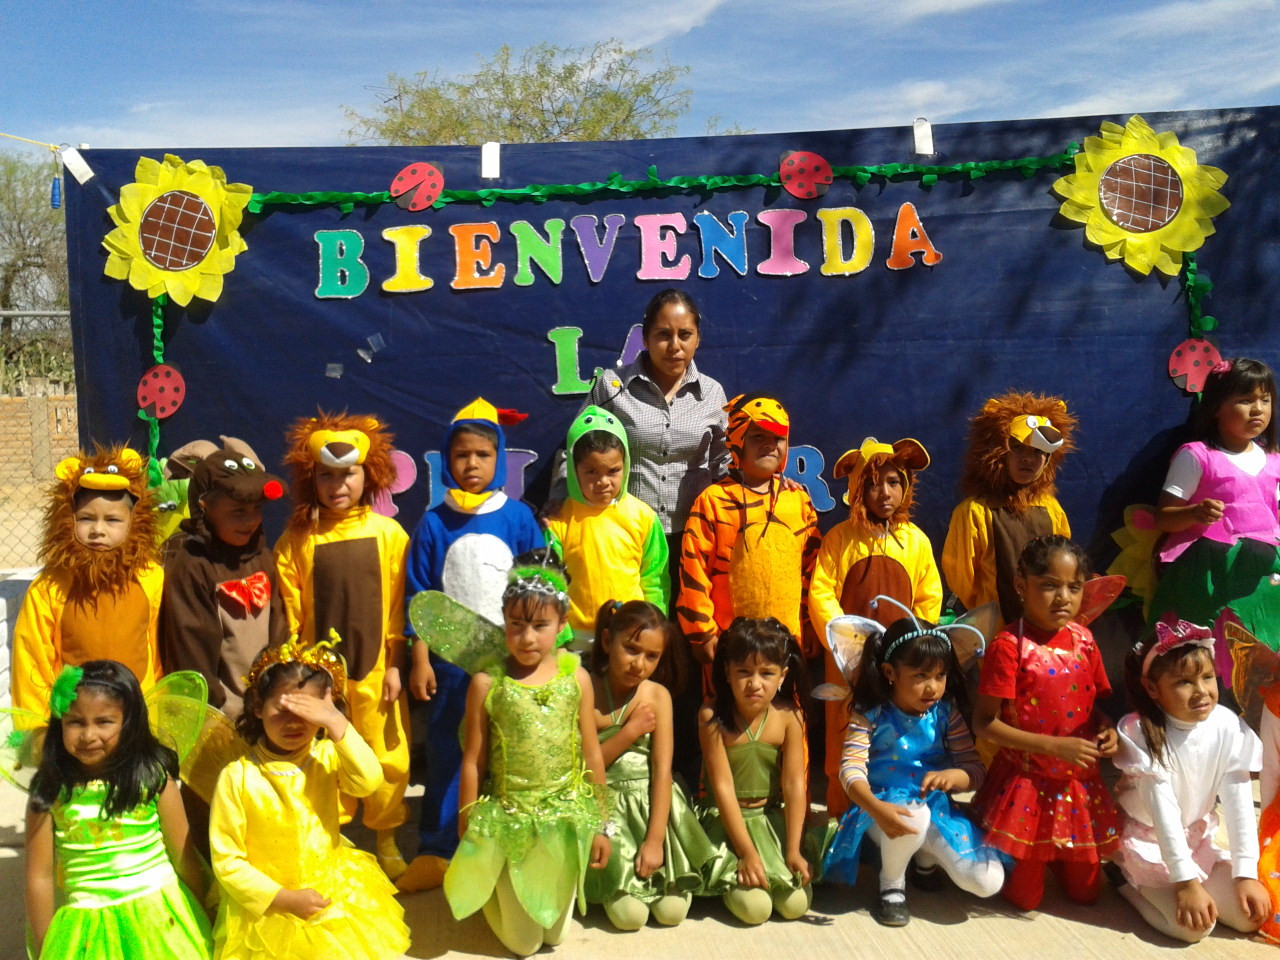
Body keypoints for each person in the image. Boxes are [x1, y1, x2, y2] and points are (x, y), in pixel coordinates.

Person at [400, 397, 544, 892]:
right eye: (461, 455)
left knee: (506, 752)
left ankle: (508, 844)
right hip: (451, 667)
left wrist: (542, 653)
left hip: (510, 664)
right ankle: (439, 847)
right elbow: (419, 595)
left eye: (483, 454)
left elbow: (539, 587)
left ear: (499, 458)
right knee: (448, 750)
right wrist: (420, 658)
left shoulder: (518, 518)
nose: (472, 464)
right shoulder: (433, 523)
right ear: (447, 460)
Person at [444, 557, 611, 956]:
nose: (527, 638)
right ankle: (496, 885)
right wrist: (466, 820)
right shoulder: (488, 683)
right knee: (525, 943)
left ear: (561, 622)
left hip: (564, 819)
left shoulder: (577, 678)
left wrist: (603, 825)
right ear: (503, 620)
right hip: (511, 819)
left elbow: (592, 754)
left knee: (555, 937)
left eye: (540, 626)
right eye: (516, 625)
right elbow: (474, 759)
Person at [208, 637, 410, 960]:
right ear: (258, 707)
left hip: (331, 898)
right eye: (283, 709)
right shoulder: (238, 777)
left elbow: (369, 780)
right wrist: (283, 898)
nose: (294, 723)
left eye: (308, 712)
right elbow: (227, 862)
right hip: (269, 911)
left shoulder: (326, 757)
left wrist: (336, 722)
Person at [273, 411, 410, 878]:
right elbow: (290, 613)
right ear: (311, 480)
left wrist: (396, 664)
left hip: (378, 673)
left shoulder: (389, 534)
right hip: (321, 680)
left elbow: (399, 607)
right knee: (326, 757)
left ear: (367, 476)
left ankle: (387, 836)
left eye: (347, 474)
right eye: (326, 476)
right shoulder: (296, 540)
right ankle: (334, 836)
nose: (337, 485)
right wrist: (297, 676)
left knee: (386, 755)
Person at [823, 607, 1004, 926]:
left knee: (987, 881)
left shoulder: (946, 714)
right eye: (920, 676)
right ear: (890, 672)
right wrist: (876, 807)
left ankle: (924, 858)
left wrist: (955, 776)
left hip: (936, 811)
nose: (933, 687)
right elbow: (850, 770)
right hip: (879, 811)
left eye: (940, 675)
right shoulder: (871, 714)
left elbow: (975, 771)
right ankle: (892, 885)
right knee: (914, 817)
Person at [24, 660, 213, 960]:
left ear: (129, 723)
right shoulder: (49, 791)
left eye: (104, 722)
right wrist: (45, 945)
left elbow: (183, 855)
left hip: (161, 922)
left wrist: (202, 914)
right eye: (75, 722)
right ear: (59, 724)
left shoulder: (152, 778)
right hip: (86, 929)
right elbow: (40, 877)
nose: (88, 735)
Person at [970, 535, 1120, 910]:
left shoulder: (1084, 640)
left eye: (1074, 587)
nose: (1063, 598)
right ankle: (1031, 855)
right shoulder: (1009, 646)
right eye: (1049, 586)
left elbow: (1088, 706)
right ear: (1022, 586)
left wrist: (1106, 729)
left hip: (1076, 785)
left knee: (1087, 894)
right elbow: (984, 723)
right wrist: (1053, 746)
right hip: (1027, 786)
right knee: (1026, 899)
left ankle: (1054, 849)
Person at [1112, 616, 1268, 942]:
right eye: (1184, 682)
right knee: (1193, 929)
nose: (1201, 692)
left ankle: (1198, 882)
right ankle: (1124, 879)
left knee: (1249, 917)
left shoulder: (1226, 725)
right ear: (1152, 688)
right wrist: (1186, 883)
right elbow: (1164, 813)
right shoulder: (1143, 733)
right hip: (1152, 843)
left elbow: (1238, 801)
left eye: (1208, 677)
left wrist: (1245, 873)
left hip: (1195, 839)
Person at [808, 437, 942, 816]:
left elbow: (928, 598)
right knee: (844, 739)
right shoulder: (840, 539)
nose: (884, 492)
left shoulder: (915, 542)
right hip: (850, 667)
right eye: (872, 483)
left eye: (893, 482)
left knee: (895, 739)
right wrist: (850, 649)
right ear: (856, 489)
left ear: (906, 486)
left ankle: (894, 816)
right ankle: (841, 818)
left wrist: (912, 650)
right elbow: (822, 594)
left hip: (900, 667)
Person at [583, 599, 719, 929]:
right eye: (631, 649)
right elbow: (584, 769)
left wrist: (655, 841)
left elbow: (662, 771)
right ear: (607, 641)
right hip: (604, 810)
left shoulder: (658, 696)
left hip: (652, 807)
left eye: (651, 656)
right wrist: (630, 732)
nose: (639, 664)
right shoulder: (586, 689)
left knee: (672, 912)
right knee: (630, 917)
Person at [576, 288, 729, 562]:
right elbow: (577, 450)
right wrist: (560, 503)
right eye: (663, 335)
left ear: (698, 339)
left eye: (685, 334)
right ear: (645, 339)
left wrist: (768, 485)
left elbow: (725, 461)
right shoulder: (612, 387)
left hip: (695, 537)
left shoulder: (712, 393)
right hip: (624, 532)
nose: (674, 346)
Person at [1149, 358, 1280, 673]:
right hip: (1210, 582)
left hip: (1261, 582)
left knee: (1260, 664)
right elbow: (1163, 518)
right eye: (1245, 400)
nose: (1257, 409)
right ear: (1217, 407)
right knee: (1214, 661)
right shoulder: (1197, 456)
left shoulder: (1274, 459)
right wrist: (1195, 513)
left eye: (1265, 400)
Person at [678, 395, 821, 683]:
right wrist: (702, 633)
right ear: (738, 440)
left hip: (788, 649)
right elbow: (694, 569)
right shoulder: (713, 501)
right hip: (729, 651)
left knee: (785, 710)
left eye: (778, 438)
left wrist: (810, 627)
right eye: (758, 436)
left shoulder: (798, 501)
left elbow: (812, 571)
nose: (770, 445)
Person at [12, 447, 164, 714]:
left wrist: (159, 709)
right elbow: (32, 662)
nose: (98, 530)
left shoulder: (151, 577)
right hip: (77, 717)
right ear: (67, 519)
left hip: (139, 712)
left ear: (135, 521)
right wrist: (38, 728)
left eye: (112, 520)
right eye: (86, 518)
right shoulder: (49, 587)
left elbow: (158, 647)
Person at [697, 617, 830, 924]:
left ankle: (770, 861)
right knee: (756, 910)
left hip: (770, 823)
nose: (754, 683)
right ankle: (728, 874)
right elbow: (723, 788)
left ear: (783, 674)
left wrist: (793, 849)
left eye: (766, 673)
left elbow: (794, 785)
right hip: (727, 825)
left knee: (796, 904)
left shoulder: (789, 716)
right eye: (744, 672)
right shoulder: (711, 716)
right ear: (727, 672)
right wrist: (746, 853)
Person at [161, 437, 289, 717]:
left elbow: (278, 622)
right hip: (222, 711)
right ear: (204, 507)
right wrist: (212, 707)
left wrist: (276, 687)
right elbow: (191, 645)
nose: (250, 520)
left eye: (256, 509)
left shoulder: (262, 557)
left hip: (268, 704)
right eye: (238, 511)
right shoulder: (193, 565)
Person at [941, 392, 1075, 625]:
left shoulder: (1051, 508)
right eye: (1017, 447)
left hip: (1045, 628)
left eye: (1037, 451)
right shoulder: (974, 511)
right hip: (996, 629)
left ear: (1048, 458)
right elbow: (962, 577)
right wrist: (987, 611)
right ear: (997, 452)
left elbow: (1061, 562)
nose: (1028, 459)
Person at [545, 406, 669, 640]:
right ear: (574, 470)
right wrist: (560, 637)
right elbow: (551, 584)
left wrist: (655, 626)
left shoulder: (644, 517)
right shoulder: (558, 522)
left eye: (613, 471)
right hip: (575, 640)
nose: (603, 481)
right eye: (591, 471)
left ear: (626, 465)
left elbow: (654, 580)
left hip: (631, 636)